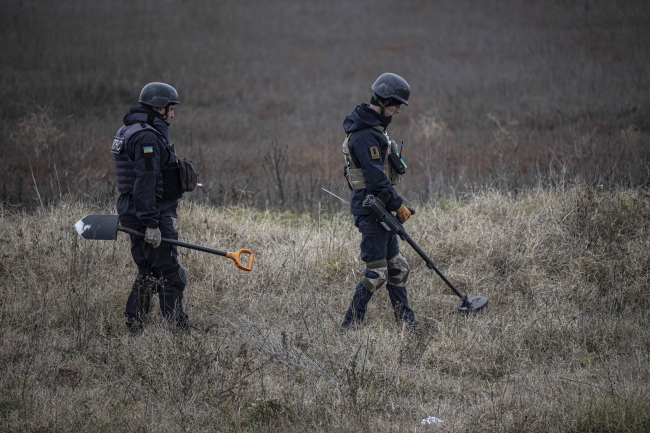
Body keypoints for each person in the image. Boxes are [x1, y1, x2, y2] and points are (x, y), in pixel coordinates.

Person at [112, 82, 191, 332]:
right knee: (170, 272)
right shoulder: (146, 136)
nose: (173, 114)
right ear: (159, 108)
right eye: (171, 108)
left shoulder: (128, 129)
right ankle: (177, 329)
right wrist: (152, 224)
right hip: (147, 210)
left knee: (147, 270)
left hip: (131, 209)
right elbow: (145, 181)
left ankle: (135, 324)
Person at [341, 72, 417, 328]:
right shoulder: (365, 136)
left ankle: (407, 325)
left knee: (398, 268)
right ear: (383, 102)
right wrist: (399, 205)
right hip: (371, 213)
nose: (397, 110)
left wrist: (393, 206)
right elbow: (376, 182)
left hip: (381, 211)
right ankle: (350, 327)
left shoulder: (375, 131)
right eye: (396, 104)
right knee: (376, 274)